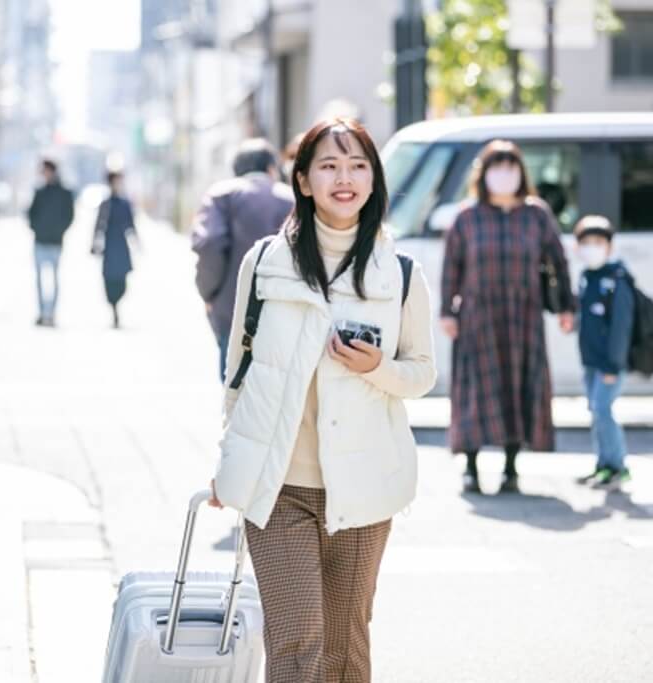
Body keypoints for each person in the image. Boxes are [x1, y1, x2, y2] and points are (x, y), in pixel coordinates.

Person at [209, 118, 438, 682]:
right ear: (304, 181)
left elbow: (422, 374)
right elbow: (238, 372)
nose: (345, 177)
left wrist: (378, 368)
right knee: (296, 645)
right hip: (280, 488)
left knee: (344, 648)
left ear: (374, 180)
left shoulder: (401, 273)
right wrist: (228, 463)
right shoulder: (264, 262)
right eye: (329, 166)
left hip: (364, 488)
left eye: (358, 165)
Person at [440, 140, 574, 495]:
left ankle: (511, 467)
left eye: (511, 168)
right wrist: (447, 312)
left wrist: (565, 307)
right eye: (497, 168)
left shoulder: (537, 215)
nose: (504, 176)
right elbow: (451, 267)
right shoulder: (467, 217)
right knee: (475, 389)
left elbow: (558, 262)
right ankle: (469, 466)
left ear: (521, 174)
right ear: (484, 175)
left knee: (518, 386)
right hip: (476, 317)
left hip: (522, 315)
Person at [191, 138, 294, 379]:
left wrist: (208, 293)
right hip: (285, 311)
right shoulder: (290, 198)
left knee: (234, 388)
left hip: (231, 309)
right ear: (271, 168)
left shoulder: (221, 195)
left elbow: (209, 244)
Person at [573, 215, 634, 490]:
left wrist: (612, 365)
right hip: (591, 360)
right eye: (586, 242)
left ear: (609, 246)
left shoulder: (616, 280)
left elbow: (621, 328)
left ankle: (618, 466)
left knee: (603, 409)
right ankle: (602, 465)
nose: (592, 248)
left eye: (598, 242)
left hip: (609, 363)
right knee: (596, 411)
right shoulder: (587, 278)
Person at [27, 159, 75, 326]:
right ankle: (42, 312)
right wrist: (36, 228)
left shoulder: (64, 192)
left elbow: (70, 216)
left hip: (55, 242)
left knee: (54, 279)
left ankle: (51, 313)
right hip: (40, 240)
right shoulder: (39, 191)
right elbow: (31, 213)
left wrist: (59, 230)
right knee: (39, 279)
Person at [92, 171, 136, 329]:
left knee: (122, 281)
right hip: (109, 246)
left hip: (121, 245)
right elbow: (98, 225)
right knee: (109, 280)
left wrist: (136, 241)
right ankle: (114, 309)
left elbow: (131, 224)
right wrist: (94, 245)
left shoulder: (125, 203)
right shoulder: (106, 204)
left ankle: (116, 305)